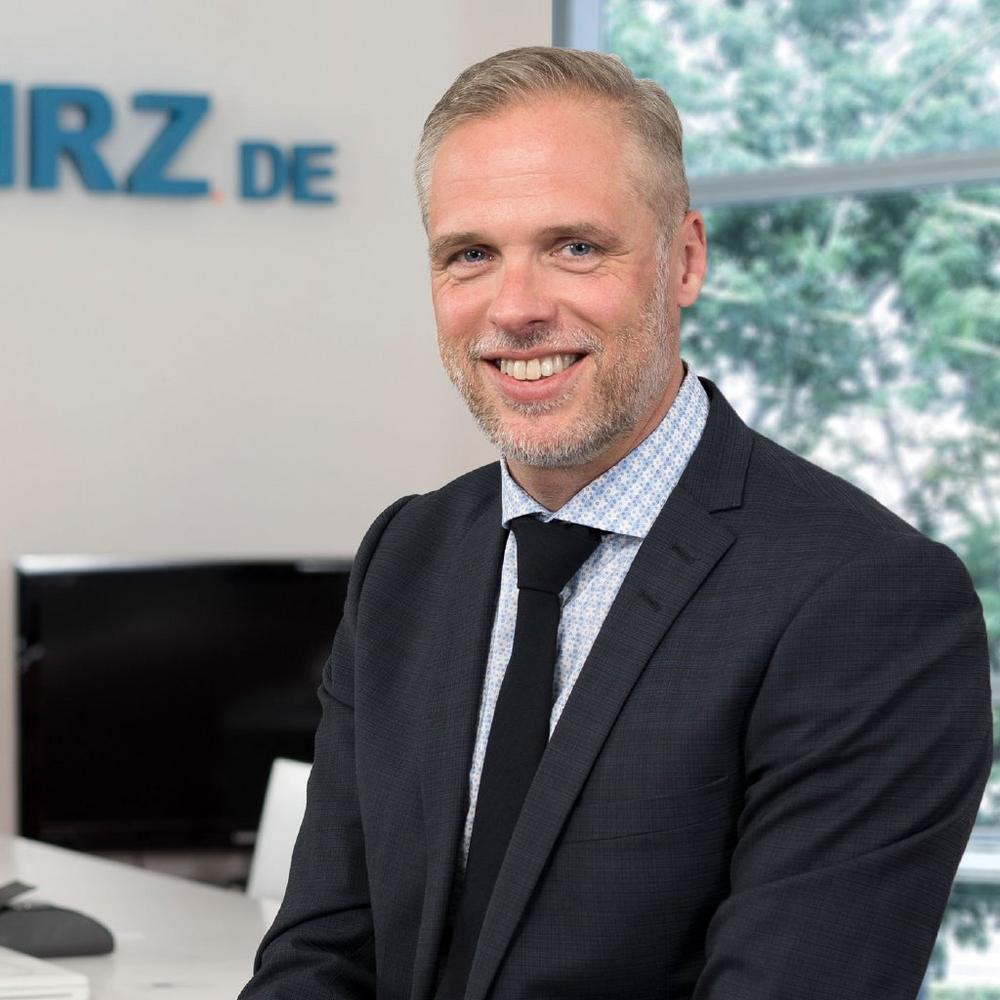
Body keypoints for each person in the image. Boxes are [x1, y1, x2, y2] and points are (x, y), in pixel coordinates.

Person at [239, 47, 992, 1000]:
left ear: (685, 260)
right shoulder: (407, 556)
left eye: (576, 247)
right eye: (470, 255)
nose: (516, 309)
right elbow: (320, 955)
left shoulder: (868, 598)